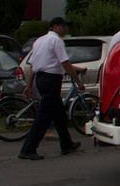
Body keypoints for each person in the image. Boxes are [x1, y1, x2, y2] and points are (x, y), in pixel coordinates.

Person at [18, 17, 86, 160]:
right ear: (55, 27)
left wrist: (29, 85)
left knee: (59, 114)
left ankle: (66, 144)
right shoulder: (56, 41)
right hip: (51, 80)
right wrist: (78, 81)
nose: (66, 29)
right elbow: (65, 63)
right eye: (64, 26)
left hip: (42, 79)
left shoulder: (39, 41)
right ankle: (28, 149)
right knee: (43, 116)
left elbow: (33, 66)